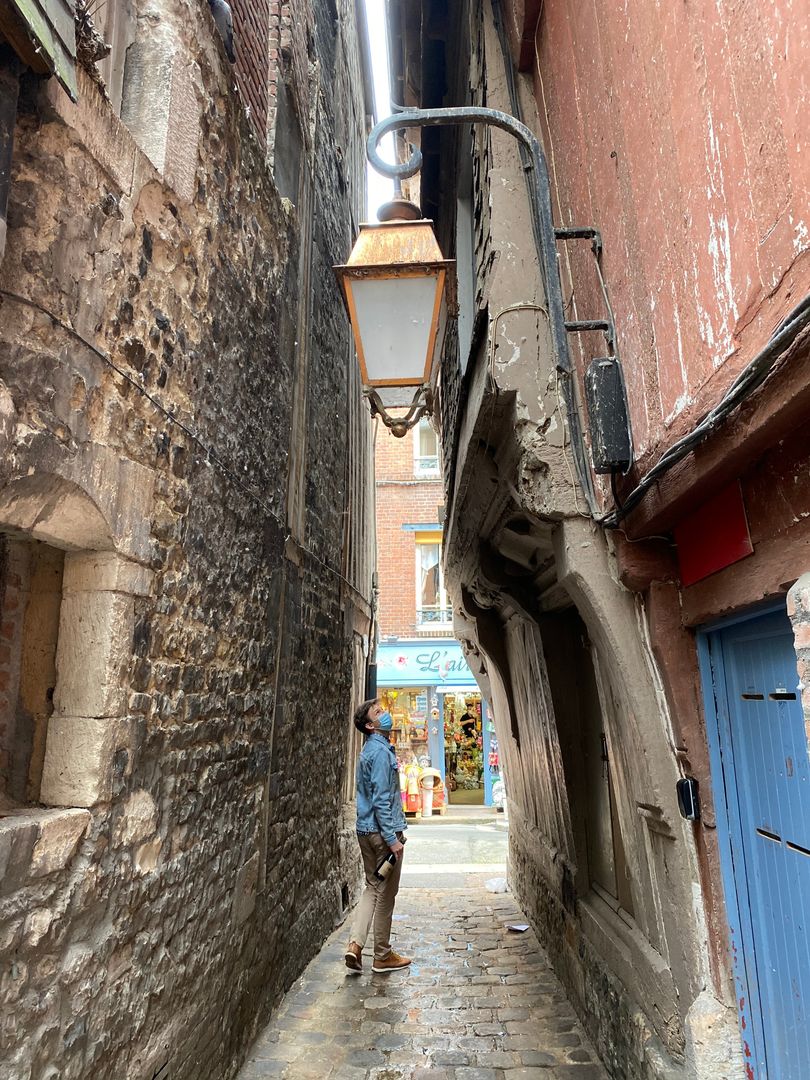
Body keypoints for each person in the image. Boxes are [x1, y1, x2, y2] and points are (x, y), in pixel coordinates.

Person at [344, 698, 411, 974]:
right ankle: (382, 955)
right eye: (379, 712)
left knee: (372, 886)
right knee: (386, 894)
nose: (385, 714)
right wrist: (392, 839)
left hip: (364, 830)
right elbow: (382, 800)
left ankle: (355, 945)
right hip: (382, 834)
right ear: (370, 725)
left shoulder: (368, 750)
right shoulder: (381, 753)